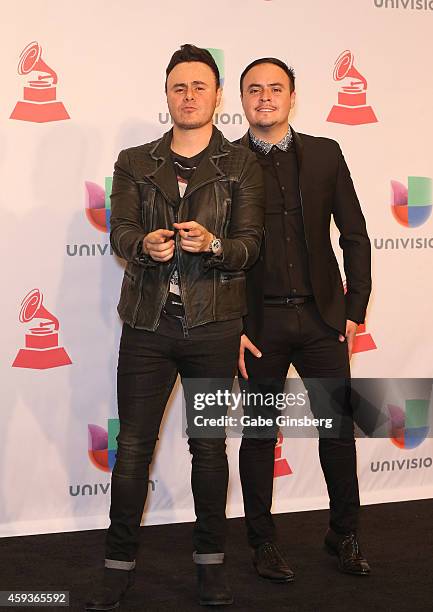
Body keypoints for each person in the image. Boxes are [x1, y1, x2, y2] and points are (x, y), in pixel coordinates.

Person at [86, 45, 264, 611]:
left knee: (209, 451)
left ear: (216, 96)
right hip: (147, 328)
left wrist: (213, 245)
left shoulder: (241, 164)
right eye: (178, 87)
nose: (188, 96)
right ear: (166, 95)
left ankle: (211, 567)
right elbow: (120, 234)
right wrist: (143, 243)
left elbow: (249, 247)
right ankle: (117, 569)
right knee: (133, 449)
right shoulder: (135, 161)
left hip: (214, 331)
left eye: (199, 86)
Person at [235, 57, 372, 583]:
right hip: (259, 326)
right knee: (259, 436)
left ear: (293, 97)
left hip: (321, 322)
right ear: (241, 100)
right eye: (254, 89)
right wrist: (233, 326)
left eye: (275, 88)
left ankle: (345, 533)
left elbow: (354, 234)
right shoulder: (225, 161)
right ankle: (262, 542)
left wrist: (355, 308)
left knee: (338, 432)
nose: (265, 97)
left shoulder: (325, 153)